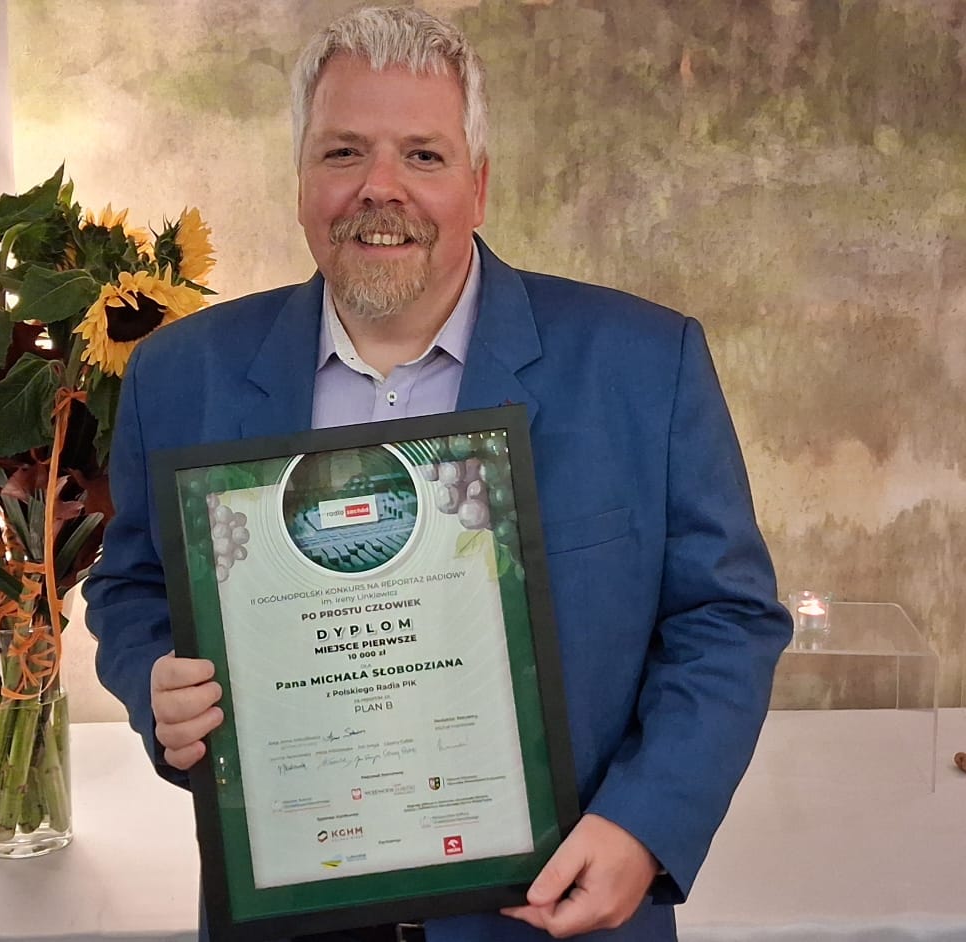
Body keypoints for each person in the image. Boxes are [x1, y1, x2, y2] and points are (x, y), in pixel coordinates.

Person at [84, 7, 791, 941]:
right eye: (342, 152)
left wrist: (643, 826)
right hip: (291, 914)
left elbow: (725, 618)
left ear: (478, 185)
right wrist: (153, 685)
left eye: (422, 155)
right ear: (300, 180)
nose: (379, 188)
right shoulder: (181, 374)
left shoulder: (644, 364)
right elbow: (132, 586)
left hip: (549, 918)